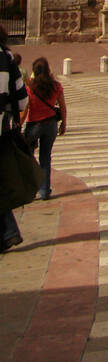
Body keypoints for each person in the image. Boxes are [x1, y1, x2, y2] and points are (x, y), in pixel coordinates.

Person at [0, 27, 28, 252]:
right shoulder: (7, 58)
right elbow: (21, 102)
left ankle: (9, 232)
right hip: (4, 130)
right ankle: (9, 232)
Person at [23, 58, 66, 201]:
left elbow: (25, 109)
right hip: (50, 125)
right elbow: (63, 106)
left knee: (28, 158)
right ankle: (45, 191)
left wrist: (19, 124)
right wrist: (63, 123)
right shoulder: (56, 86)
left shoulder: (30, 88)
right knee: (45, 158)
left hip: (34, 125)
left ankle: (30, 190)